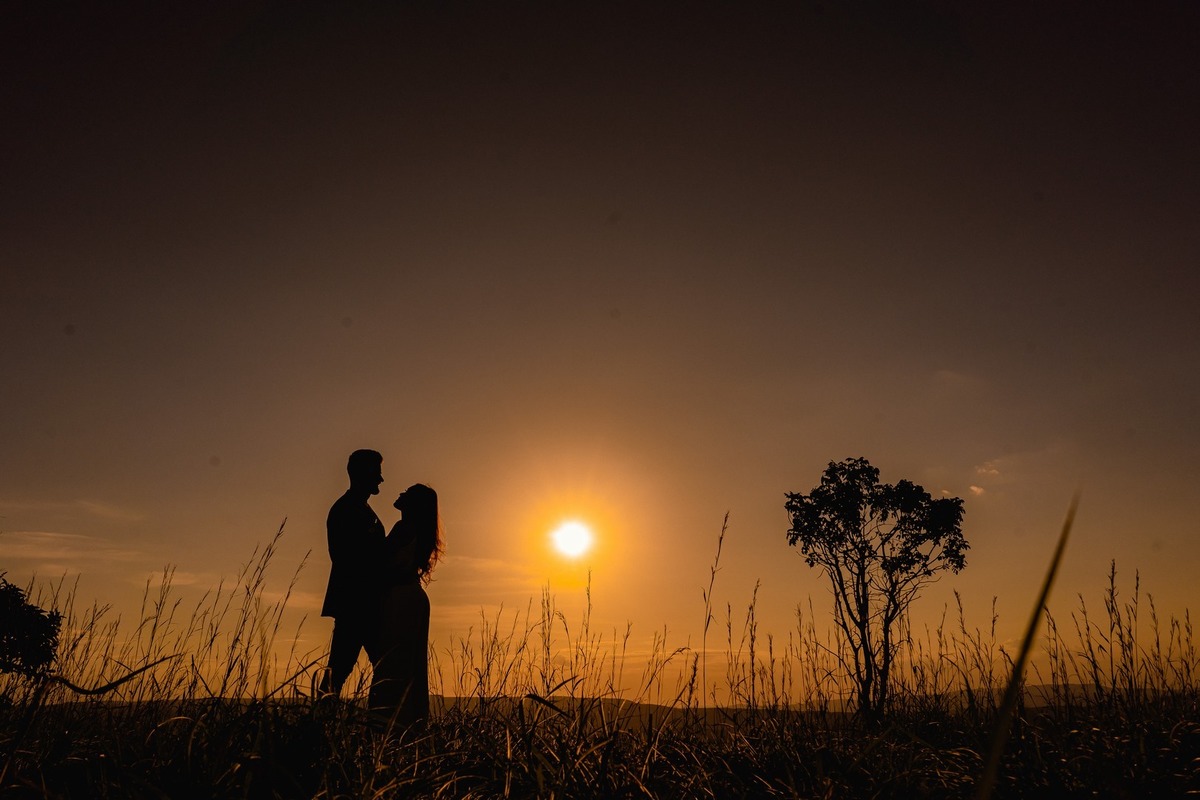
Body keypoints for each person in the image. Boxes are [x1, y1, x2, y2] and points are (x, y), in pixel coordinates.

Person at [367, 482, 444, 726]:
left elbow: (380, 564)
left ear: (414, 504)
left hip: (400, 598)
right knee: (412, 665)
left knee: (393, 665)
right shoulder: (419, 531)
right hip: (413, 596)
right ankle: (411, 723)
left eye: (407, 493)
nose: (400, 493)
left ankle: (388, 724)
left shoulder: (404, 528)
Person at [318, 449, 387, 696]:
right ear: (363, 474)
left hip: (364, 603)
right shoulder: (346, 510)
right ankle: (320, 722)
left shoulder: (361, 509)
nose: (381, 480)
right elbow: (345, 557)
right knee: (340, 670)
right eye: (377, 473)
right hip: (356, 603)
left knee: (372, 667)